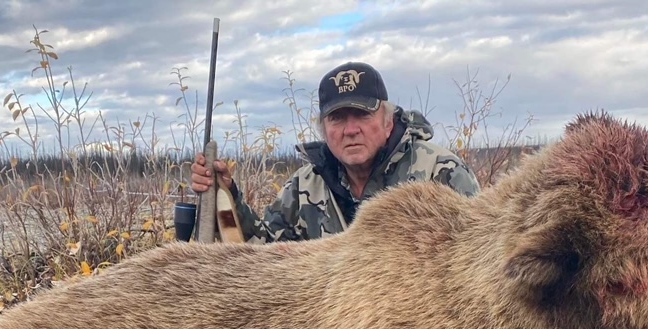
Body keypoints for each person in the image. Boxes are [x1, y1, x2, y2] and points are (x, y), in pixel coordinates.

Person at [190, 61, 481, 243]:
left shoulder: (441, 172)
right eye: (337, 118)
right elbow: (263, 250)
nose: (350, 129)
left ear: (388, 120)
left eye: (362, 115)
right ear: (323, 128)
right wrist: (226, 195)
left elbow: (479, 263)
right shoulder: (304, 185)